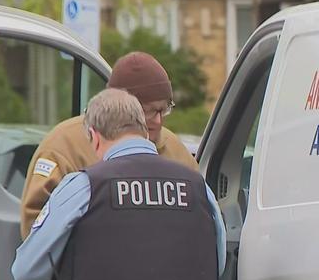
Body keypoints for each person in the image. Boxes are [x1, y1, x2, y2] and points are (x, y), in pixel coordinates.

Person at [12, 88, 225, 280]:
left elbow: (27, 271)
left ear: (94, 136)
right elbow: (218, 263)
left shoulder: (84, 185)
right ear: (144, 131)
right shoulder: (197, 186)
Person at [20, 51, 198, 239]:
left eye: (164, 109)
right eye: (148, 111)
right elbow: (35, 224)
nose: (158, 121)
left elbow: (203, 212)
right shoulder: (65, 145)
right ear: (120, 107)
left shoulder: (175, 150)